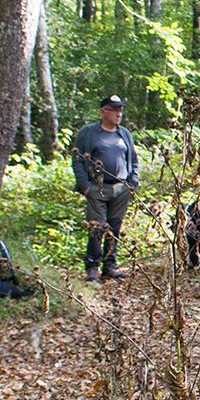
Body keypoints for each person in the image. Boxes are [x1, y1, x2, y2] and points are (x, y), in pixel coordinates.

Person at [72, 95, 139, 283]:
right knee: (97, 227)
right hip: (96, 189)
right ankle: (93, 267)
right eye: (114, 110)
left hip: (121, 189)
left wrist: (132, 183)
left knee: (115, 228)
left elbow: (133, 159)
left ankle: (110, 266)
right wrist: (85, 186)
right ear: (103, 112)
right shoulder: (88, 133)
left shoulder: (124, 134)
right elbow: (77, 160)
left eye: (121, 110)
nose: (119, 114)